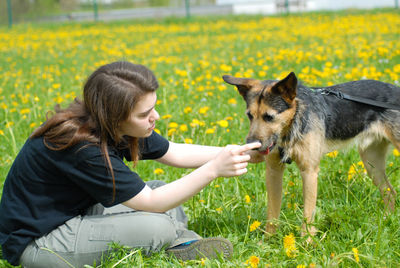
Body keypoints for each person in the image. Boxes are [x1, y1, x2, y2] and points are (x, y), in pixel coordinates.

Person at [0, 61, 261, 268]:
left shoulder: (107, 123)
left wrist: (240, 153)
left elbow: (173, 152)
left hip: (78, 214)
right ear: (114, 116)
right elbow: (151, 203)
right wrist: (214, 169)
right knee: (157, 222)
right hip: (40, 243)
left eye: (154, 108)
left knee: (161, 188)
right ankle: (174, 241)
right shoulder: (83, 146)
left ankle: (176, 242)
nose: (155, 117)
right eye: (145, 114)